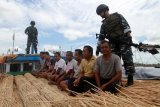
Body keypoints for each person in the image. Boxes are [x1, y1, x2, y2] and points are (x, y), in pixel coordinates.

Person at [96, 4, 135, 86]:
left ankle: (130, 80)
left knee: (127, 59)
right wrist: (98, 46)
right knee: (114, 61)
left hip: (123, 40)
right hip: (113, 43)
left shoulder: (118, 16)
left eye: (100, 13)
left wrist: (129, 37)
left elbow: (126, 26)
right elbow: (101, 36)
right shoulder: (104, 24)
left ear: (105, 10)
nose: (100, 15)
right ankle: (117, 80)